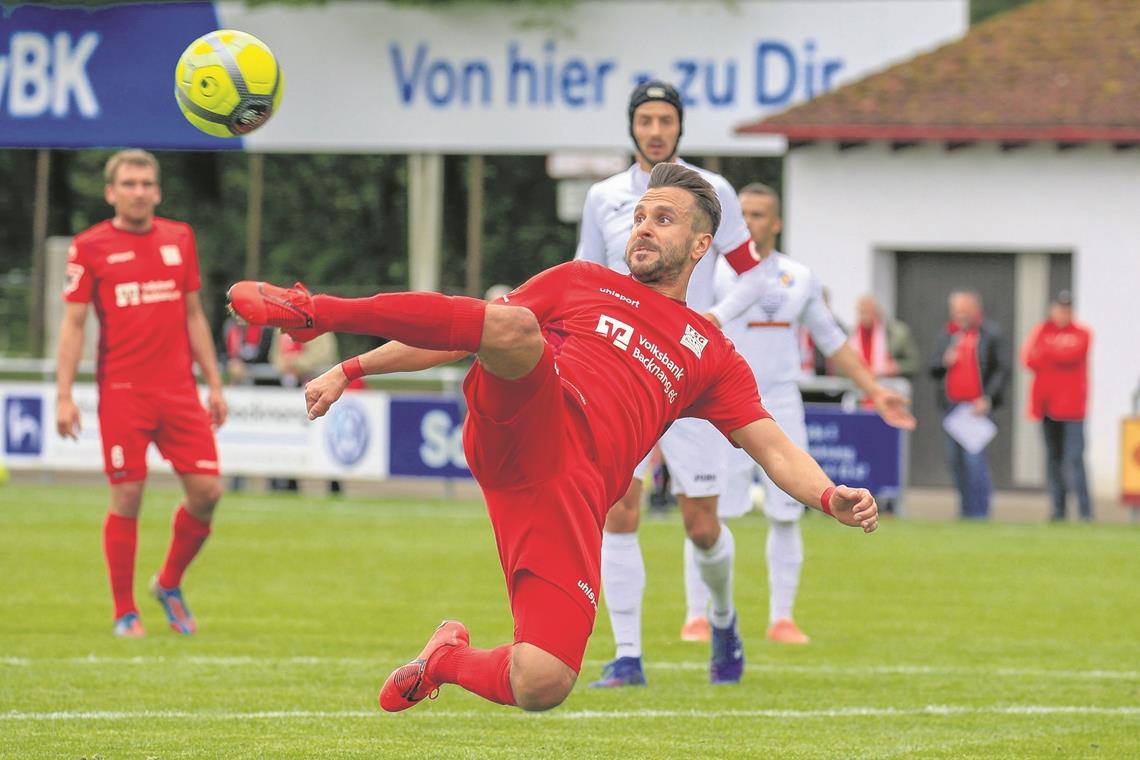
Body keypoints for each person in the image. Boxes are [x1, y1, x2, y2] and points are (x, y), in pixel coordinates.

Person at [227, 163, 879, 713]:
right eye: (641, 215)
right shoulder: (580, 281)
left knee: (544, 681)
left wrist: (829, 497)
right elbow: (469, 330)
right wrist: (349, 364)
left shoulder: (709, 352)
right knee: (511, 328)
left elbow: (773, 447)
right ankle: (315, 310)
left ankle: (445, 661)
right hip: (532, 420)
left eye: (665, 219)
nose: (644, 227)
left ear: (701, 246)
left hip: (570, 495)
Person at [574, 80, 770, 684]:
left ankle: (723, 619)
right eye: (645, 119)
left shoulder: (715, 193)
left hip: (688, 372)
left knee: (701, 525)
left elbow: (752, 276)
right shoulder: (604, 197)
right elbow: (584, 277)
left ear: (680, 126)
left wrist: (711, 319)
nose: (655, 130)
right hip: (624, 372)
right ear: (631, 126)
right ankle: (628, 654)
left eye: (665, 119)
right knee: (619, 510)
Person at [699, 183, 913, 646]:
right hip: (723, 403)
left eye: (760, 214)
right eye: (745, 214)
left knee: (787, 512)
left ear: (776, 223)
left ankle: (782, 618)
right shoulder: (712, 274)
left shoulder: (798, 278)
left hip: (779, 401)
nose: (751, 221)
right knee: (711, 512)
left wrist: (875, 390)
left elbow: (832, 342)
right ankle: (702, 615)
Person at [55, 149, 226, 637]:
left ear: (158, 191)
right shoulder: (89, 247)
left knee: (208, 491)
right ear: (111, 192)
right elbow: (73, 325)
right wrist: (64, 395)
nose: (138, 191)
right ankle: (124, 611)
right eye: (128, 183)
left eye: (147, 183)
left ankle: (168, 583)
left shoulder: (179, 237)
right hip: (123, 392)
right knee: (127, 496)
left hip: (178, 391)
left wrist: (213, 383)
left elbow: (194, 314)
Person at [929, 290, 1008, 519]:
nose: (959, 315)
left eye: (964, 310)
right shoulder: (947, 335)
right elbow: (933, 369)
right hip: (953, 410)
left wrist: (989, 398)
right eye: (956, 311)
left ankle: (980, 512)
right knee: (955, 461)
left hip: (977, 410)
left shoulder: (990, 334)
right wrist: (944, 362)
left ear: (975, 309)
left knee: (975, 463)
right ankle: (965, 510)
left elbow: (1002, 369)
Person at [1021, 290, 1093, 521]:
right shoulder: (1041, 331)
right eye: (1059, 308)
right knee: (1053, 459)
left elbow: (1071, 355)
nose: (1063, 313)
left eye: (1067, 308)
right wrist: (1052, 352)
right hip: (1046, 407)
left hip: (1072, 409)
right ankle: (1058, 510)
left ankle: (1085, 511)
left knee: (1074, 458)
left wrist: (1048, 352)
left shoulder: (1082, 333)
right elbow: (1029, 359)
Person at [849, 294, 919, 381]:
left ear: (877, 312)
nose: (865, 316)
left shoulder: (898, 333)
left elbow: (913, 363)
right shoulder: (851, 336)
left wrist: (896, 367)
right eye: (862, 312)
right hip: (859, 384)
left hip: (888, 384)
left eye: (868, 312)